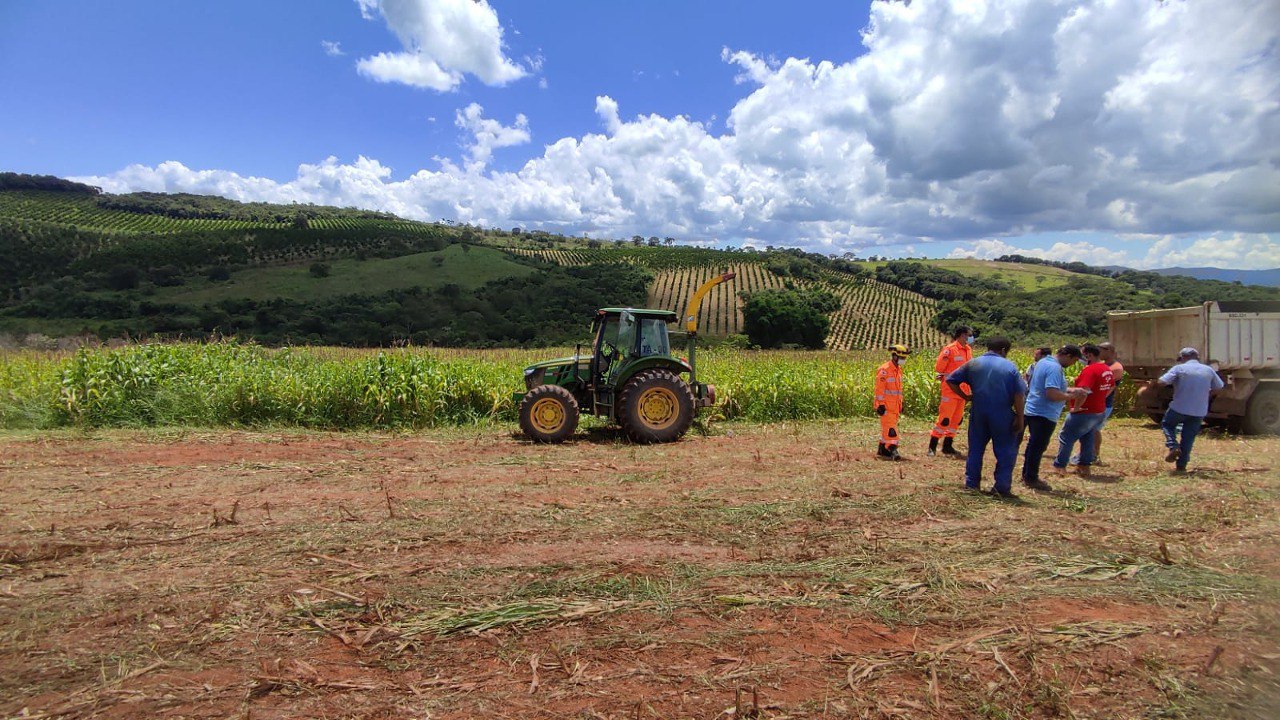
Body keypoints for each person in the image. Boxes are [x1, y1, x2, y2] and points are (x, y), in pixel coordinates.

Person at [945, 337, 1026, 497]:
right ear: (1003, 350)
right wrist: (1020, 417)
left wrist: (966, 396)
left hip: (979, 412)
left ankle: (971, 485)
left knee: (975, 449)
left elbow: (951, 380)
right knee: (1005, 450)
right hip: (1002, 412)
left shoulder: (974, 363)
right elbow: (1019, 394)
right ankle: (1001, 488)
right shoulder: (1010, 367)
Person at [1021, 345, 1087, 491]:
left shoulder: (1043, 362)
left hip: (1033, 409)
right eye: (1074, 361)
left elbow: (1047, 388)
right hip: (1044, 412)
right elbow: (1051, 394)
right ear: (1068, 356)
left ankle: (1026, 474)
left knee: (1033, 445)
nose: (1073, 365)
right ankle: (1031, 478)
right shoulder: (1054, 368)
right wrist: (1072, 396)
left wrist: (1070, 390)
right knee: (1038, 446)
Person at [1155, 347, 1224, 473]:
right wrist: (1207, 394)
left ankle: (1173, 446)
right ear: (1197, 357)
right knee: (1188, 437)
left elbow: (1161, 382)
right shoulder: (1208, 370)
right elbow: (1219, 387)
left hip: (1179, 407)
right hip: (1199, 410)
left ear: (1183, 358)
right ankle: (1181, 466)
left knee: (1167, 425)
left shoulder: (1179, 368)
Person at [1052, 344, 1115, 476]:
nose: (1080, 358)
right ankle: (1084, 466)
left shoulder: (1090, 370)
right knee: (1088, 437)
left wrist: (1075, 407)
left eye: (1082, 355)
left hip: (1084, 411)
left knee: (1066, 437)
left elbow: (1083, 391)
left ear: (1089, 355)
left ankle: (1060, 467)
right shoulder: (1106, 369)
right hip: (1099, 410)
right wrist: (1100, 398)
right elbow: (1111, 387)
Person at [929, 325, 973, 457]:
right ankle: (932, 446)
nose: (970, 338)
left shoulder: (968, 350)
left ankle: (947, 446)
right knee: (945, 419)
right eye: (969, 335)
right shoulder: (949, 350)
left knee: (957, 419)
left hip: (963, 390)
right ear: (962, 335)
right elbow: (939, 368)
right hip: (950, 390)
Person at [875, 344, 911, 461]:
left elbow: (898, 390)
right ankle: (893, 449)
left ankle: (882, 449)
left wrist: (901, 403)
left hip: (895, 406)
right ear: (895, 357)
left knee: (888, 426)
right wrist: (880, 404)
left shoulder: (898, 370)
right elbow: (879, 389)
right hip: (885, 406)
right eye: (902, 358)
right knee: (891, 429)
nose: (903, 360)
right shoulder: (884, 370)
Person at [1090, 342, 1125, 462]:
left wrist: (1097, 400)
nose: (1098, 353)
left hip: (1104, 403)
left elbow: (1108, 388)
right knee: (1091, 429)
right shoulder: (1104, 365)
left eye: (1100, 350)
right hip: (1099, 402)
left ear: (1109, 350)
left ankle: (1094, 455)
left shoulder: (1116, 368)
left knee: (1094, 429)